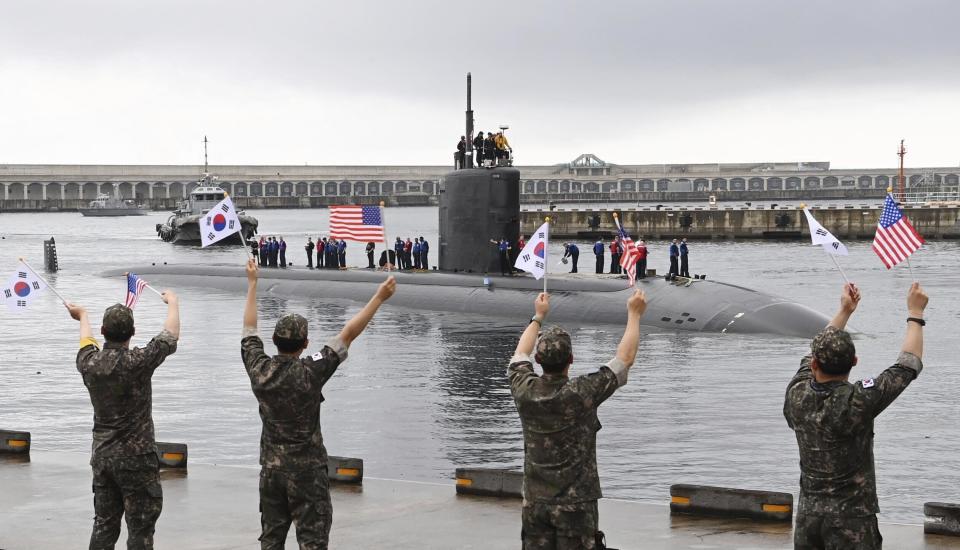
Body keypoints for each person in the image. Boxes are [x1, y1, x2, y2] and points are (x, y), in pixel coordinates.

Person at [242, 258, 396, 549]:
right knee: (313, 541)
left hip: (271, 472)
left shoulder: (258, 370)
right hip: (307, 474)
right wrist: (379, 297)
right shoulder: (311, 370)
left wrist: (252, 284)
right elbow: (347, 334)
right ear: (305, 344)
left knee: (271, 540)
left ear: (274, 341)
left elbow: (249, 330)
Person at [784, 282, 928, 550]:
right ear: (854, 362)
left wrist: (844, 312)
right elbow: (908, 365)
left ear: (814, 364)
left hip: (809, 518)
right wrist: (915, 313)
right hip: (852, 521)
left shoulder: (796, 393)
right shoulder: (858, 401)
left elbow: (812, 353)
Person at [508, 289, 646, 549]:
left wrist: (538, 316)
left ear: (539, 361)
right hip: (576, 507)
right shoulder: (581, 392)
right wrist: (634, 314)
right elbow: (625, 359)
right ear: (570, 359)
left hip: (535, 504)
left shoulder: (524, 390)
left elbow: (519, 354)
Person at [67, 292, 181, 549]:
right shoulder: (138, 361)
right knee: (140, 530)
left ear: (103, 330)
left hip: (103, 457)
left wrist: (82, 315)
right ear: (133, 331)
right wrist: (173, 303)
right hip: (137, 461)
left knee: (104, 526)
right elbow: (170, 335)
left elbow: (86, 342)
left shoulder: (89, 363)